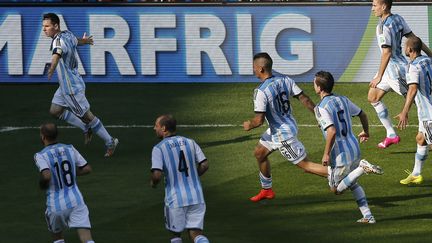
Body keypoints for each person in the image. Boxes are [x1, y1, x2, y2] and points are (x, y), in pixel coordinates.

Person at [243, 52, 329, 203]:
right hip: (284, 127)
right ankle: (267, 190)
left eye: (254, 67)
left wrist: (249, 125)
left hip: (282, 135)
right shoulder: (285, 80)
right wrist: (318, 116)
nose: (253, 70)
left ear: (261, 69)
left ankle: (342, 173)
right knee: (259, 153)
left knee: (306, 166)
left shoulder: (261, 91)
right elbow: (304, 98)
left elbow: (259, 120)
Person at [42, 13, 118, 157]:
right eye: (43, 26)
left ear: (56, 26)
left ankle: (110, 141)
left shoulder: (57, 42)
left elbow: (56, 54)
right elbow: (76, 41)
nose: (44, 29)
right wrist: (85, 41)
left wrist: (51, 68)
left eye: (47, 26)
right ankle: (85, 127)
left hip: (71, 89)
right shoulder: (67, 34)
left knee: (87, 116)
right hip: (67, 85)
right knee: (55, 111)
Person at [313, 71, 384, 223]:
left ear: (319, 88)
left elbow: (331, 131)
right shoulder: (342, 99)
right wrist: (366, 131)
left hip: (340, 154)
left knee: (336, 189)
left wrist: (326, 154)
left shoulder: (320, 108)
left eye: (314, 84)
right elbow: (363, 114)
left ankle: (362, 168)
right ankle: (368, 216)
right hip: (354, 147)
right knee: (352, 182)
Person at [368, 0, 432, 149]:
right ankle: (391, 134)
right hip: (389, 69)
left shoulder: (383, 27)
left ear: (384, 7)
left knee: (420, 100)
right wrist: (430, 54)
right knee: (372, 97)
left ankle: (427, 133)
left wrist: (379, 76)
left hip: (396, 72)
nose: (372, 9)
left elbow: (387, 52)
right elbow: (414, 38)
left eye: (374, 5)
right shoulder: (398, 18)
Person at [150, 115, 210, 243]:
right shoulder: (190, 142)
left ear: (164, 128)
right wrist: (192, 176)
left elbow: (157, 175)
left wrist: (153, 183)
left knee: (175, 236)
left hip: (175, 199)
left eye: (156, 126)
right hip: (196, 196)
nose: (154, 128)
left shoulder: (159, 148)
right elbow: (204, 164)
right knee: (196, 235)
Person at [34, 123, 95, 243]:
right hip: (76, 200)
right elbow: (87, 168)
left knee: (58, 238)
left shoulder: (40, 155)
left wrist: (42, 184)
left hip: (56, 205)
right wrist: (71, 172)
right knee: (87, 239)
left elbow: (47, 176)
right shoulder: (69, 148)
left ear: (43, 137)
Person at [395, 36, 432, 185]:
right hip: (426, 113)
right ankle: (416, 174)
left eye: (405, 45)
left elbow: (412, 89)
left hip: (429, 113)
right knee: (420, 139)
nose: (404, 48)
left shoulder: (412, 67)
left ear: (410, 49)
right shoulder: (429, 61)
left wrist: (404, 111)